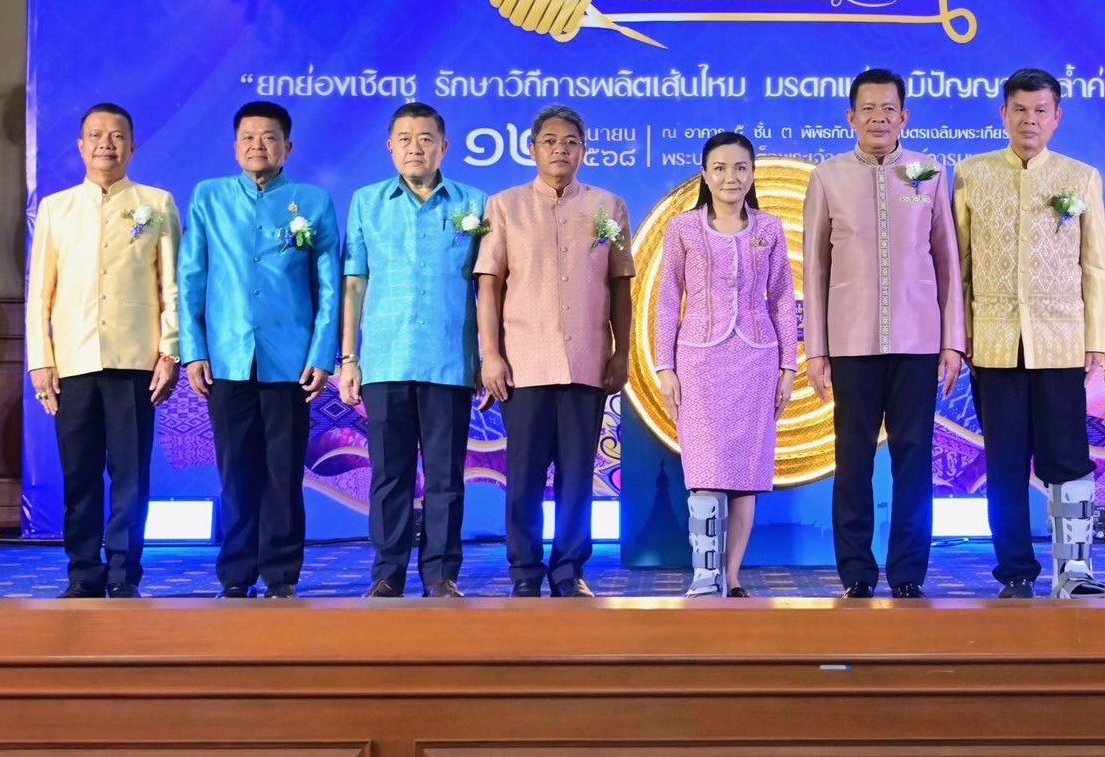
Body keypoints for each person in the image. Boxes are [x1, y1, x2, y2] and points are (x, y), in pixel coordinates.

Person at [803, 68, 966, 599]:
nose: (878, 117)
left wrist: (952, 341)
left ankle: (909, 571)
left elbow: (948, 262)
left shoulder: (928, 172)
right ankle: (855, 571)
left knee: (913, 461)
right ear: (851, 117)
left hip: (919, 342)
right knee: (852, 461)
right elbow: (814, 268)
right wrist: (818, 350)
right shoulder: (828, 176)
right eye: (867, 109)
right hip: (851, 344)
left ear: (904, 116)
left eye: (888, 108)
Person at [954, 68, 1105, 600]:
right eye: (1019, 109)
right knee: (1004, 459)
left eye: (1041, 110)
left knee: (1067, 457)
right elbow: (961, 267)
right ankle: (1015, 570)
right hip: (994, 341)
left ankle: (1076, 568)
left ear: (1057, 117)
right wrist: (960, 334)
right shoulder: (971, 175)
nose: (1030, 120)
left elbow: (1096, 268)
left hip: (1059, 340)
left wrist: (1098, 340)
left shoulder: (1080, 176)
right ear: (1003, 114)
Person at [179, 101, 340, 599]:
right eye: (248, 137)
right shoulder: (209, 197)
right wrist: (193, 349)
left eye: (269, 137)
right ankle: (235, 572)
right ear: (235, 146)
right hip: (226, 355)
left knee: (285, 470)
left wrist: (321, 354)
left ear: (287, 147)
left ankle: (281, 573)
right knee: (235, 470)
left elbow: (328, 284)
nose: (257, 145)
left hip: (289, 360)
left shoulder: (312, 202)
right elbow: (191, 278)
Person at [477, 105, 634, 598]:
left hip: (587, 361)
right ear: (532, 149)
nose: (560, 149)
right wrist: (491, 355)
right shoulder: (504, 207)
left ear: (584, 151)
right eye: (550, 141)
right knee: (522, 476)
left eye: (570, 142)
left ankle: (569, 570)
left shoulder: (609, 206)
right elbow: (490, 283)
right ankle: (524, 570)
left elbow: (621, 286)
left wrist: (621, 352)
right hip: (523, 363)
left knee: (576, 477)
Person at [26, 103, 181, 599]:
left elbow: (171, 287)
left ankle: (123, 571)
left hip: (135, 361)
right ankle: (82, 571)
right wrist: (41, 360)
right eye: (95, 135)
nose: (105, 144)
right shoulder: (55, 207)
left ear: (132, 145)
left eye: (116, 135)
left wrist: (170, 351)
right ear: (80, 146)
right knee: (80, 472)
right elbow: (40, 294)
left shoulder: (155, 203)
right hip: (72, 361)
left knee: (131, 475)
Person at [339, 102, 488, 599]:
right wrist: (348, 358)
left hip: (449, 359)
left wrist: (488, 356)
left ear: (444, 147)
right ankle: (387, 572)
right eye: (404, 138)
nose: (415, 147)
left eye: (426, 138)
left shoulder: (474, 204)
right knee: (389, 476)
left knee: (446, 477)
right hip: (385, 358)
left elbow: (487, 288)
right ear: (389, 147)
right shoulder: (366, 202)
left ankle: (441, 574)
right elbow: (354, 283)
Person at [653, 132, 797, 598]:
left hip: (756, 359)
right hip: (697, 358)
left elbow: (781, 300)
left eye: (740, 167)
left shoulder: (769, 228)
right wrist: (664, 365)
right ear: (705, 174)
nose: (730, 177)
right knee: (706, 469)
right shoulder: (682, 229)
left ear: (752, 173)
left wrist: (789, 367)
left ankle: (730, 576)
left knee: (747, 474)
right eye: (719, 167)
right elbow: (668, 299)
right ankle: (703, 574)